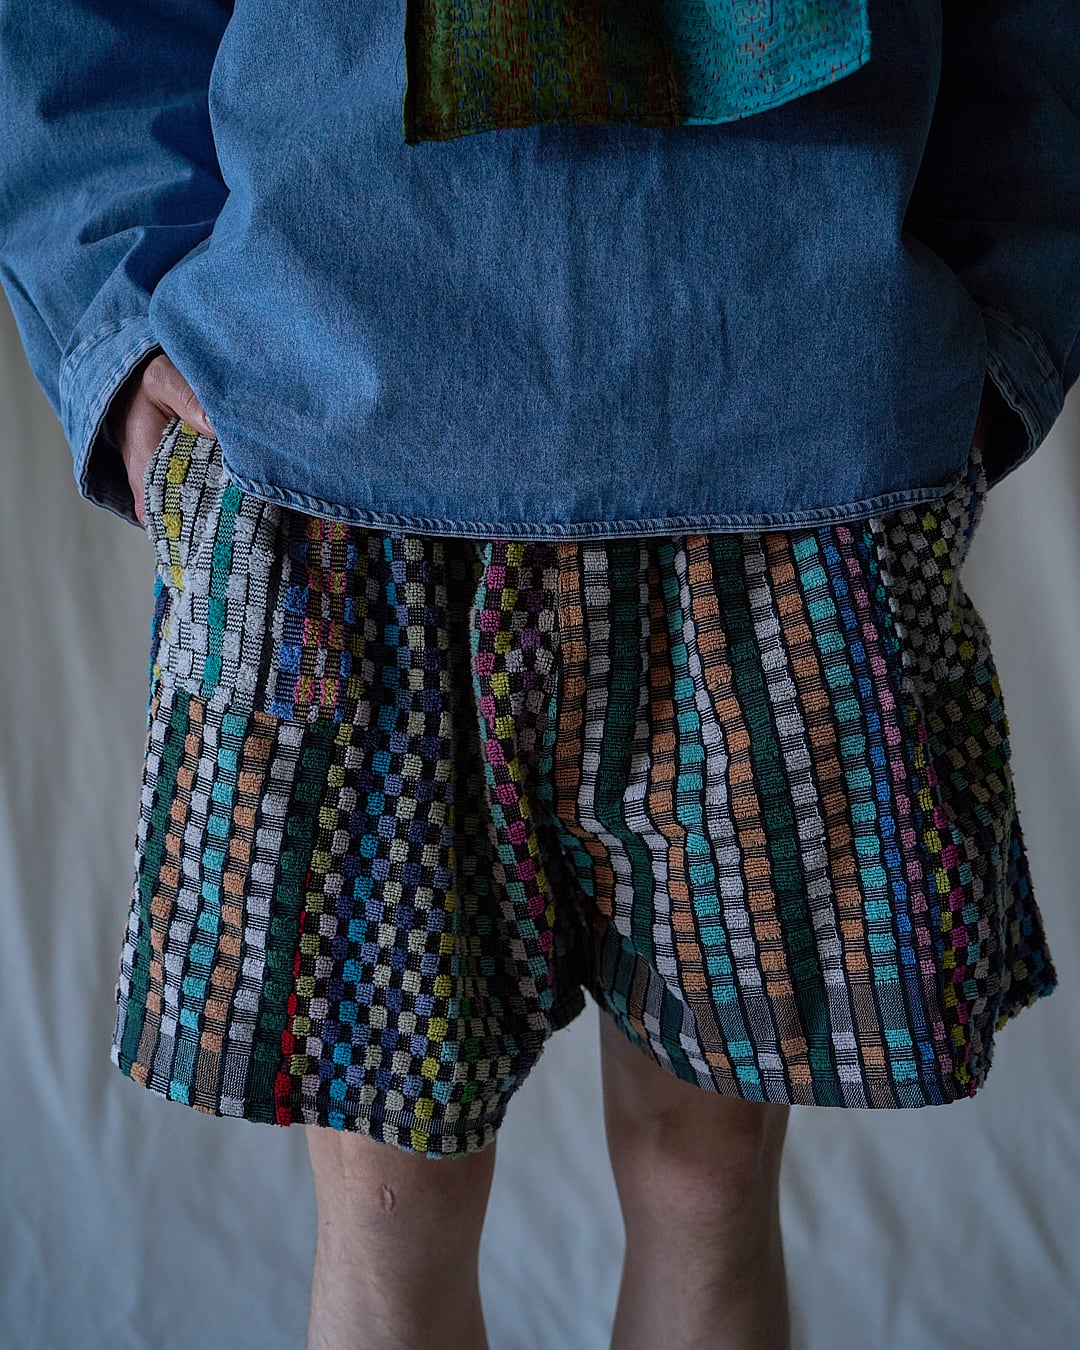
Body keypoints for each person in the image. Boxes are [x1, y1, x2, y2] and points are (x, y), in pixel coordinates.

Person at [0, 3, 1074, 1348]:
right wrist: (113, 308)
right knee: (391, 1209)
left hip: (790, 422)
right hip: (333, 448)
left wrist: (1003, 329)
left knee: (706, 1182)